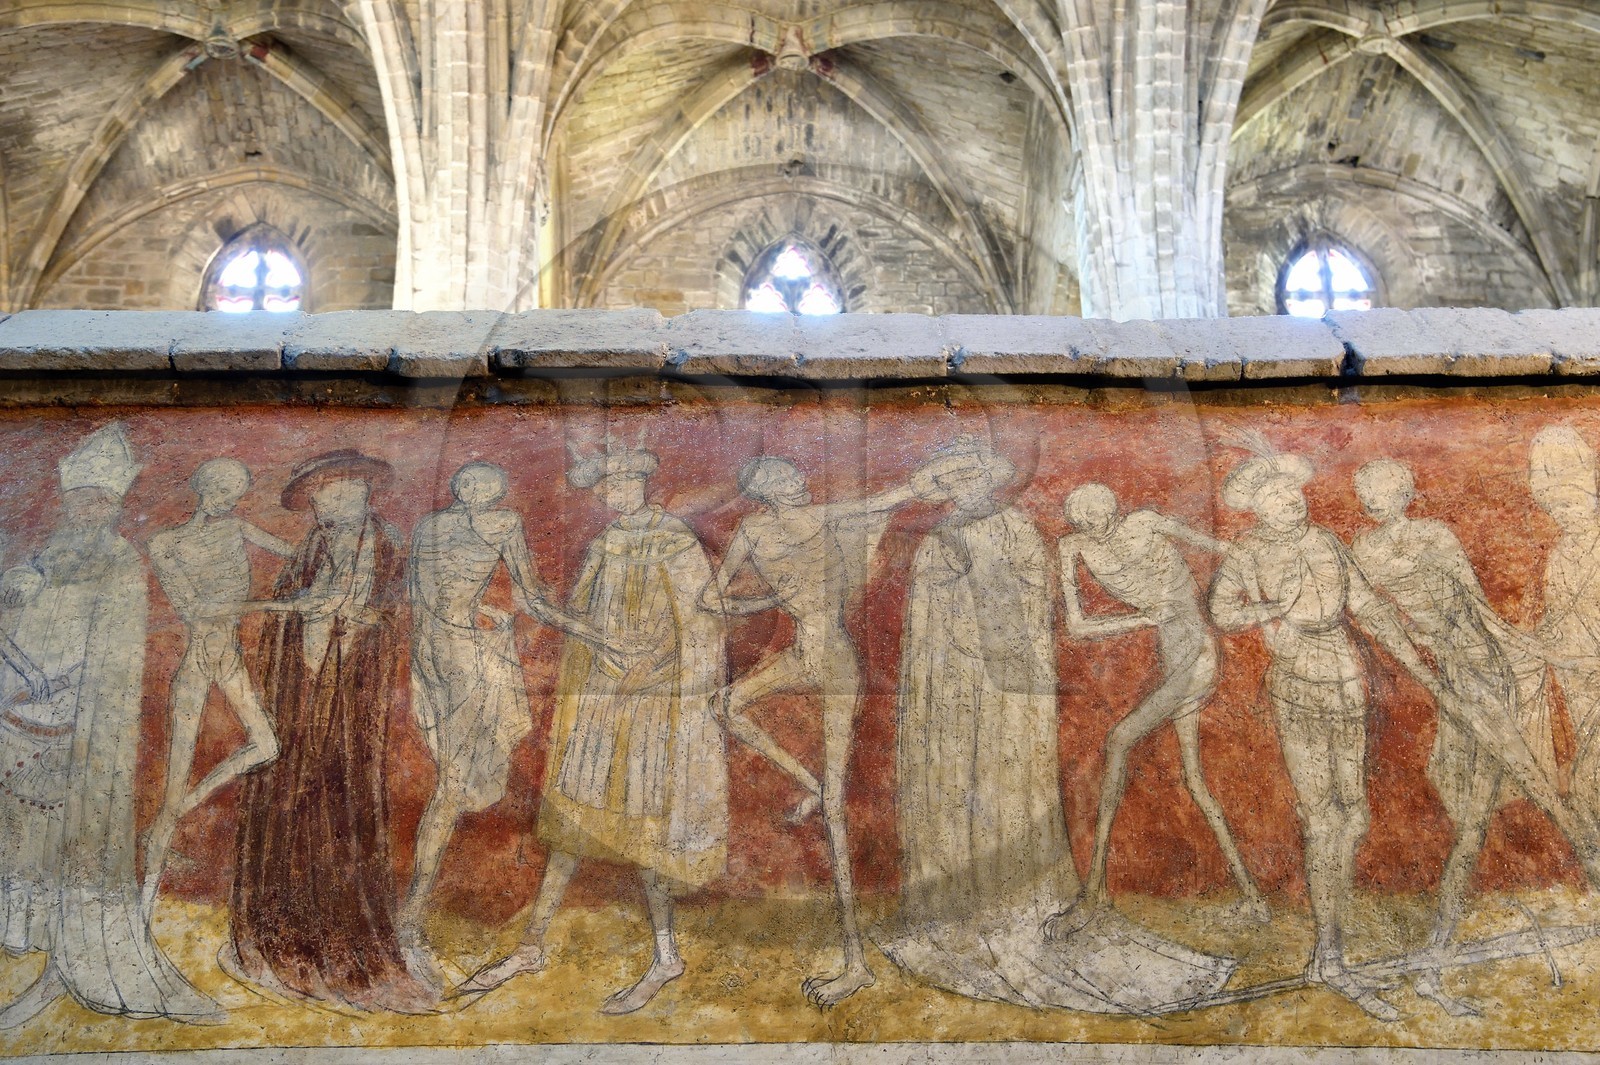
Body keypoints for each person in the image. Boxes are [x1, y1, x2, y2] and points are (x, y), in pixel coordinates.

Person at [879, 435, 1234, 1014]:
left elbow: (1027, 603)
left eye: (970, 473)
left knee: (1003, 788)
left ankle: (1010, 902)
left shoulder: (1014, 526)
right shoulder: (935, 538)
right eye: (950, 477)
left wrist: (982, 623)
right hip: (950, 691)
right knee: (951, 787)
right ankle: (952, 904)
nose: (962, 484)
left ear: (988, 478)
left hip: (1003, 694)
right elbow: (926, 621)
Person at [459, 442, 725, 1015]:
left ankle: (664, 954)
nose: (614, 495)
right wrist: (593, 649)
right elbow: (584, 616)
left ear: (642, 484)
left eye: (624, 484)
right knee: (573, 819)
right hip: (602, 699)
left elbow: (700, 624)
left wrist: (649, 667)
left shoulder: (677, 539)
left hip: (656, 703)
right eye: (607, 489)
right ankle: (531, 946)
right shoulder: (606, 543)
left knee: (647, 827)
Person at [1351, 457, 1600, 1016]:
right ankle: (1435, 965)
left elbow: (1479, 611)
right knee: (1514, 806)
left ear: (1407, 491)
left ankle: (1434, 966)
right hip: (1456, 682)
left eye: (1387, 486)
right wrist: (1437, 687)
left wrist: (1535, 652)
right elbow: (1388, 629)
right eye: (1366, 488)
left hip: (1487, 671)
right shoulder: (1362, 553)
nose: (1375, 495)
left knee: (1492, 815)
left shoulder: (1436, 534)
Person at [1208, 444, 1442, 1021]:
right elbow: (1220, 611)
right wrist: (1271, 608)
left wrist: (1422, 668)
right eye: (1275, 496)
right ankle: (1328, 955)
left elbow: (1367, 604)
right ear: (1257, 508)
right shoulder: (1244, 551)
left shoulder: (1326, 542)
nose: (1289, 502)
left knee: (1354, 814)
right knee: (1322, 817)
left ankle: (1331, 949)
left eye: (1292, 492)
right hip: (1297, 682)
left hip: (1345, 672)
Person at [0, 423, 219, 1028]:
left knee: (68, 829)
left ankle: (66, 962)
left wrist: (75, 697)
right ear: (66, 500)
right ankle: (30, 950)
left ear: (114, 504)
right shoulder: (43, 557)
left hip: (79, 722)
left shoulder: (121, 561)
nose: (86, 508)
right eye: (78, 498)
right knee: (19, 829)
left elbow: (117, 655)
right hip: (18, 714)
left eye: (99, 499)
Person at [696, 456, 920, 1006]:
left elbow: (884, 501)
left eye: (798, 473)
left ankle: (855, 962)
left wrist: (927, 481)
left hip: (835, 658)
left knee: (838, 816)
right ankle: (810, 785)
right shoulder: (751, 531)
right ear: (764, 490)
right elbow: (709, 598)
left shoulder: (823, 515)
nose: (799, 479)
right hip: (799, 653)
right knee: (725, 705)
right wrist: (768, 600)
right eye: (785, 476)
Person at [228, 449, 435, 1013]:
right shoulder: (309, 550)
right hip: (299, 697)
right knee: (287, 805)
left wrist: (360, 627)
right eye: (319, 496)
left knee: (342, 811)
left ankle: (348, 947)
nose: (325, 504)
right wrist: (302, 626)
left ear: (363, 493)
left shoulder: (388, 545)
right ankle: (278, 939)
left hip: (349, 705)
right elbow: (289, 612)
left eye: (335, 493)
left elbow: (394, 613)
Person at [399, 461, 618, 975]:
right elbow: (533, 599)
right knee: (453, 784)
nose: (484, 490)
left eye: (491, 484)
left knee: (454, 783)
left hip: (436, 653)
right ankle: (410, 922)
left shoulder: (433, 525)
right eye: (476, 482)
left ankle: (414, 916)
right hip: (463, 658)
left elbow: (425, 597)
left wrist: (478, 614)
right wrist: (597, 636)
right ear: (460, 487)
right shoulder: (496, 523)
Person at [1047, 483, 1267, 935]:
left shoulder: (1145, 522)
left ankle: (1094, 894)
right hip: (1172, 656)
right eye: (1087, 519)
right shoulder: (1072, 548)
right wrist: (1143, 618)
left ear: (1113, 508)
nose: (1098, 524)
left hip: (1196, 654)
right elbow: (1079, 625)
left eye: (1103, 513)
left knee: (1119, 741)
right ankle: (1253, 897)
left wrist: (1255, 602)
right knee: (1195, 780)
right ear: (1078, 521)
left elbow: (1231, 551)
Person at [142, 458, 292, 919]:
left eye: (237, 488)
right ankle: (144, 906)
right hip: (197, 663)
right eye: (222, 487)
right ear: (201, 487)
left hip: (229, 658)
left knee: (266, 744)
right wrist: (276, 604)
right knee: (171, 785)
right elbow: (194, 607)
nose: (229, 496)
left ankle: (182, 808)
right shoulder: (165, 542)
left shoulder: (238, 529)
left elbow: (298, 554)